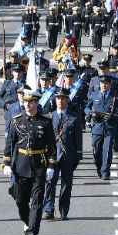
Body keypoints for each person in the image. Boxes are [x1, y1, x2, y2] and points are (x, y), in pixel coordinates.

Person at [3, 90, 57, 235]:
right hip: (21, 166)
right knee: (21, 200)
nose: (28, 104)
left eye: (31, 101)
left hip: (39, 165)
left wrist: (51, 166)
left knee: (37, 201)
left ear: (37, 103)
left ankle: (33, 230)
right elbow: (10, 144)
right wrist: (6, 163)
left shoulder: (45, 121)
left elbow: (52, 147)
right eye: (26, 101)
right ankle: (27, 221)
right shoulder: (17, 120)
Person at [42, 89, 83, 220]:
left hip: (67, 155)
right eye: (58, 98)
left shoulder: (74, 117)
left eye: (63, 98)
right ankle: (49, 208)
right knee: (50, 183)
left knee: (66, 184)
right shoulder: (48, 116)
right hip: (52, 157)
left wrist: (78, 156)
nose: (60, 101)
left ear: (67, 100)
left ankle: (64, 209)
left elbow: (78, 139)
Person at [85, 74, 118, 180]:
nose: (104, 85)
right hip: (97, 127)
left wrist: (113, 116)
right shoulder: (94, 95)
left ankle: (105, 172)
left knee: (107, 150)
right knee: (96, 150)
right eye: (102, 83)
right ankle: (99, 168)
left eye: (106, 83)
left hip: (110, 127)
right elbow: (86, 107)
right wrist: (90, 113)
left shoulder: (115, 96)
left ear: (110, 84)